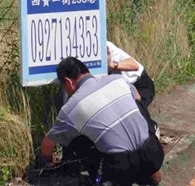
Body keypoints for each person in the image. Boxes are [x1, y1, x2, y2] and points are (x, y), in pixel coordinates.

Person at [41, 57, 164, 185]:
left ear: (68, 81)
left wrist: (48, 160)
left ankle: (109, 181)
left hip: (121, 167)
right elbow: (138, 97)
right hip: (154, 152)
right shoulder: (118, 80)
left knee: (77, 140)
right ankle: (152, 174)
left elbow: (48, 144)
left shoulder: (71, 107)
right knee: (136, 107)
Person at [107, 40, 156, 109]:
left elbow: (134, 66)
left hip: (139, 85)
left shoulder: (106, 46)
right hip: (121, 89)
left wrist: (111, 64)